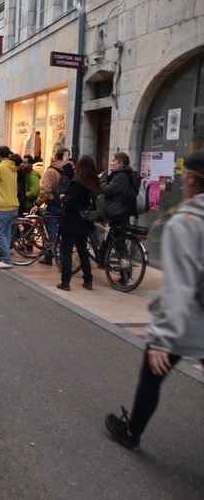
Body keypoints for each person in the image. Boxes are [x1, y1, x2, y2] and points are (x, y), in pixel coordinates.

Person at [105, 149, 204, 451]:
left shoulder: (184, 222)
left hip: (190, 320)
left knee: (152, 375)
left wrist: (161, 338)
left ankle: (132, 432)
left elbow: (179, 286)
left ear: (188, 178)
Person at [56, 155, 99, 291]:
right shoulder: (93, 182)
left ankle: (65, 282)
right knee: (82, 251)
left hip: (71, 220)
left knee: (66, 250)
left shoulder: (77, 183)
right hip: (85, 221)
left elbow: (71, 202)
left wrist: (63, 198)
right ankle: (88, 280)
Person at [31, 147, 73, 265]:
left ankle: (49, 256)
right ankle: (63, 256)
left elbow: (46, 190)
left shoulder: (51, 171)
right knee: (64, 231)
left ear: (55, 157)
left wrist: (38, 203)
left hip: (54, 204)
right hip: (66, 204)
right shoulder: (71, 171)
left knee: (52, 231)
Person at [100, 151, 140, 226]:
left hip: (118, 211)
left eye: (113, 161)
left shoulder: (120, 176)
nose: (110, 163)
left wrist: (100, 181)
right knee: (117, 235)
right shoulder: (122, 175)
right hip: (120, 210)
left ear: (121, 164)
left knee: (118, 234)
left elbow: (107, 190)